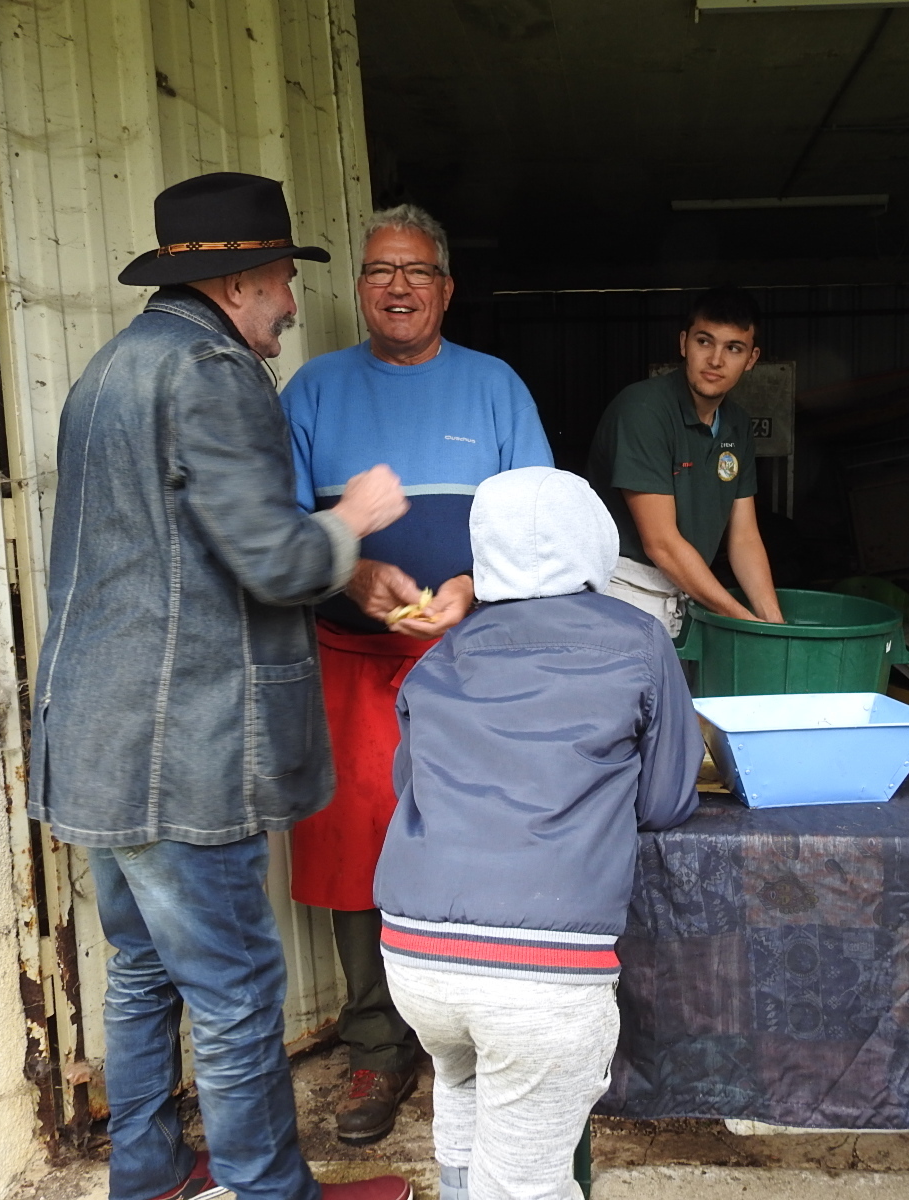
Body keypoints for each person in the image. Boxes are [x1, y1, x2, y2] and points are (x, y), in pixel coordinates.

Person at [28, 172, 412, 1200]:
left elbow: (176, 552)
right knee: (238, 989)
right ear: (241, 281)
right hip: (182, 745)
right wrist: (355, 518)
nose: (290, 303)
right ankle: (268, 1189)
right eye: (283, 278)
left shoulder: (112, 369)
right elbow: (274, 562)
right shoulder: (212, 370)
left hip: (103, 736)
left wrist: (337, 555)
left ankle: (151, 1171)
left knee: (145, 970)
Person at [279, 203, 553, 1143]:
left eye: (416, 271)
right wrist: (349, 570)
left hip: (470, 660)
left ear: (446, 287)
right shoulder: (314, 390)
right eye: (379, 271)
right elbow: (275, 529)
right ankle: (377, 1047)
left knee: (479, 837)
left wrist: (476, 583)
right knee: (358, 843)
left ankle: (479, 1038)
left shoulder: (495, 387)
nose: (397, 286)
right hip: (348, 660)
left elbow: (541, 520)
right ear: (359, 287)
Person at [375, 467, 703, 1200]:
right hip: (539, 976)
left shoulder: (441, 654)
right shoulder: (639, 639)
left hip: (416, 960)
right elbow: (665, 799)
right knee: (527, 1185)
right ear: (595, 542)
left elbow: (412, 790)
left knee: (463, 1097)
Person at [587, 286, 784, 636]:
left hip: (688, 593)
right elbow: (661, 543)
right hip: (624, 596)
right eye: (704, 341)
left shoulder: (736, 424)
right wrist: (742, 620)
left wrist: (774, 625)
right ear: (684, 343)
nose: (716, 360)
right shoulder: (643, 411)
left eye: (733, 348)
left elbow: (743, 537)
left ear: (751, 358)